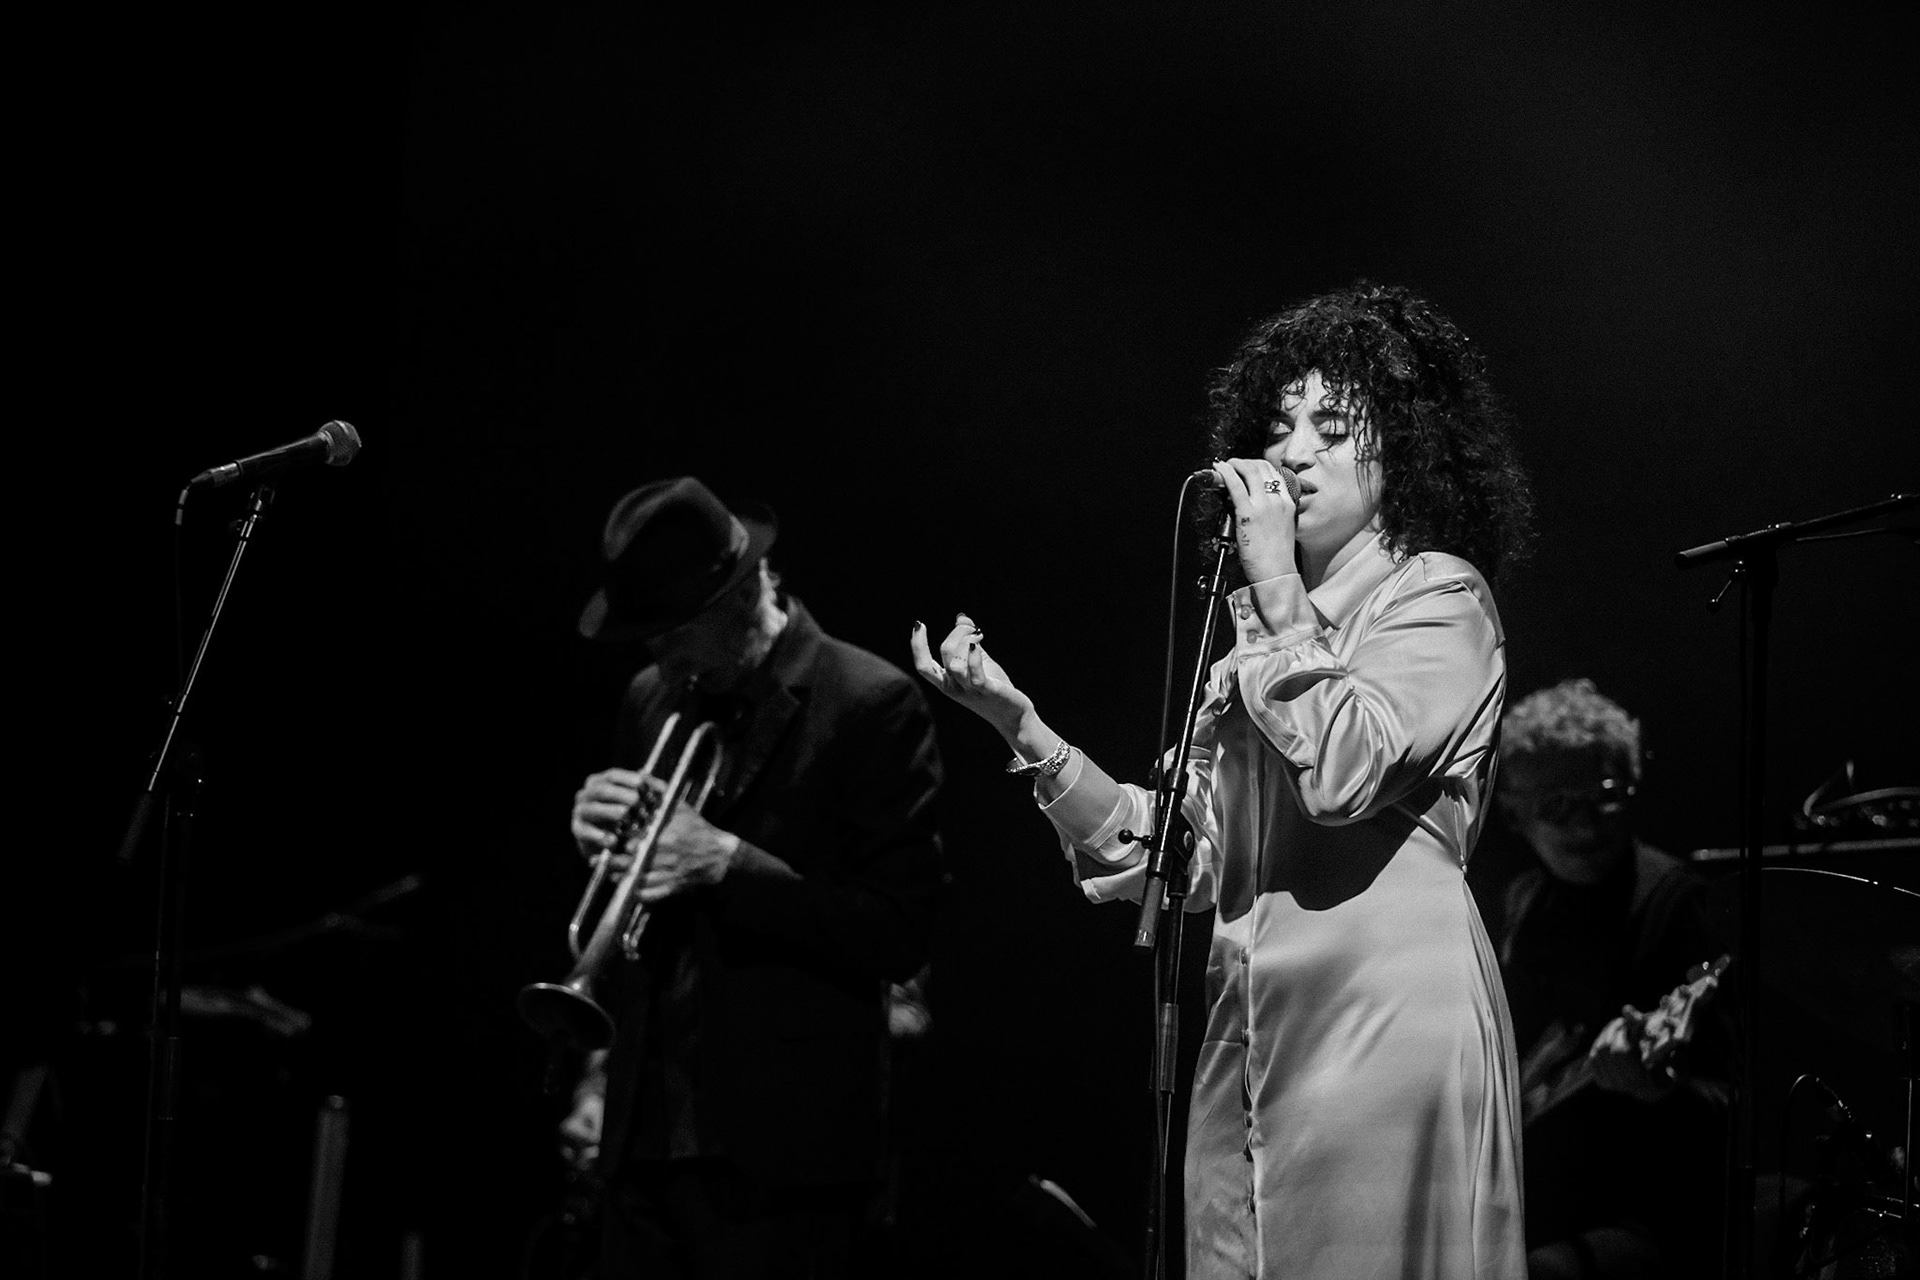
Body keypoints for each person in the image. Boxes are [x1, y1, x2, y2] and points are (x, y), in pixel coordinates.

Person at [911, 281, 1535, 1279]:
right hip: (1247, 1037)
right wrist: (1018, 722)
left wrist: (1278, 587)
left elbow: (1346, 770)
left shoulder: (1441, 596)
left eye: (1332, 426)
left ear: (1405, 448)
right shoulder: (1252, 632)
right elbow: (1174, 858)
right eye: (1279, 425)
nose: (1292, 452)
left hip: (1386, 1019)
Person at [560, 476, 943, 1279]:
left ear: (740, 596)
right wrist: (603, 836)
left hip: (785, 1158)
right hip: (644, 1132)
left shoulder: (870, 702)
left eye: (669, 631)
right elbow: (641, 912)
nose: (656, 654)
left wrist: (730, 864)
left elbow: (898, 932)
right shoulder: (652, 698)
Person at [1494, 679, 1731, 1280]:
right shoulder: (1525, 904)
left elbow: (1733, 1104)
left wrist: (1659, 1088)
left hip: (1650, 1216)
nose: (1584, 829)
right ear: (1515, 813)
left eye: (1601, 797)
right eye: (1556, 806)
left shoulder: (1679, 903)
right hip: (1535, 1198)